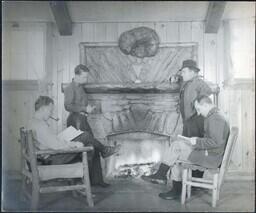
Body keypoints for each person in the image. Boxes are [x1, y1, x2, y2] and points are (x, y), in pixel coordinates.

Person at [142, 59, 213, 183]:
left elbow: (208, 91)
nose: (182, 74)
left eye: (184, 71)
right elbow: (179, 81)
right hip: (188, 122)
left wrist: (198, 104)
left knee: (192, 150)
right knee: (184, 150)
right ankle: (179, 181)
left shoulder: (198, 82)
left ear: (193, 72)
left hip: (195, 121)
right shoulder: (186, 82)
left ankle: (193, 181)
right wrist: (175, 78)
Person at [146, 95, 230, 200]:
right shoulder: (216, 115)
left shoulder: (216, 118)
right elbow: (214, 140)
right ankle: (166, 179)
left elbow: (215, 141)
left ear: (206, 105)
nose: (198, 113)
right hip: (210, 153)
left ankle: (167, 180)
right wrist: (195, 141)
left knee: (176, 149)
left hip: (211, 157)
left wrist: (196, 141)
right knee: (177, 148)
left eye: (199, 109)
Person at [27, 96, 113, 188]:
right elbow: (56, 146)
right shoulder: (40, 126)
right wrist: (74, 145)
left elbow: (50, 142)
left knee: (89, 145)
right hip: (51, 159)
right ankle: (103, 153)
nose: (51, 113)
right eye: (50, 110)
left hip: (48, 156)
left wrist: (67, 142)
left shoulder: (32, 122)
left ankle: (85, 181)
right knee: (86, 137)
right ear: (43, 108)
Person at [64, 64, 121, 187]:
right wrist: (85, 108)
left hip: (82, 119)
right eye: (84, 77)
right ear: (76, 75)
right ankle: (83, 181)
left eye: (87, 77)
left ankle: (97, 180)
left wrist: (88, 109)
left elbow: (79, 105)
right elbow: (67, 106)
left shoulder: (80, 87)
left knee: (93, 147)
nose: (86, 79)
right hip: (75, 121)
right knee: (85, 149)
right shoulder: (70, 88)